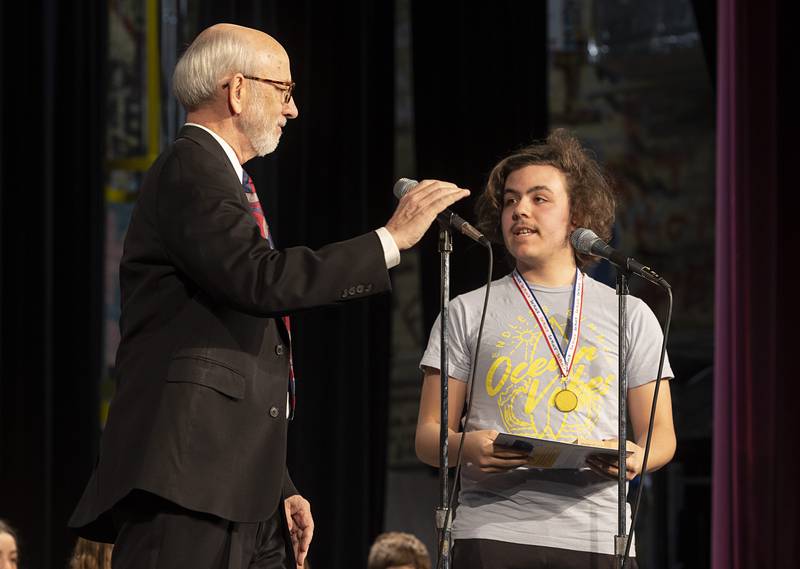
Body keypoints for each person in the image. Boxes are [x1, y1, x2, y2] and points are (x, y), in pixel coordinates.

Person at [68, 23, 468, 569]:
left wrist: (277, 485)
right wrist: (390, 239)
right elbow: (261, 279)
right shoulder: (190, 167)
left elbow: (226, 342)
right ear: (236, 90)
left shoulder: (222, 179)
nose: (293, 109)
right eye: (284, 90)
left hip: (233, 484)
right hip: (188, 481)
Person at [415, 130, 676, 568]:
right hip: (493, 532)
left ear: (578, 216)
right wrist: (467, 447)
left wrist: (632, 456)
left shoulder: (630, 314)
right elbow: (427, 436)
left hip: (597, 538)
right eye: (511, 200)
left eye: (539, 199)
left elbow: (661, 437)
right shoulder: (466, 311)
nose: (520, 210)